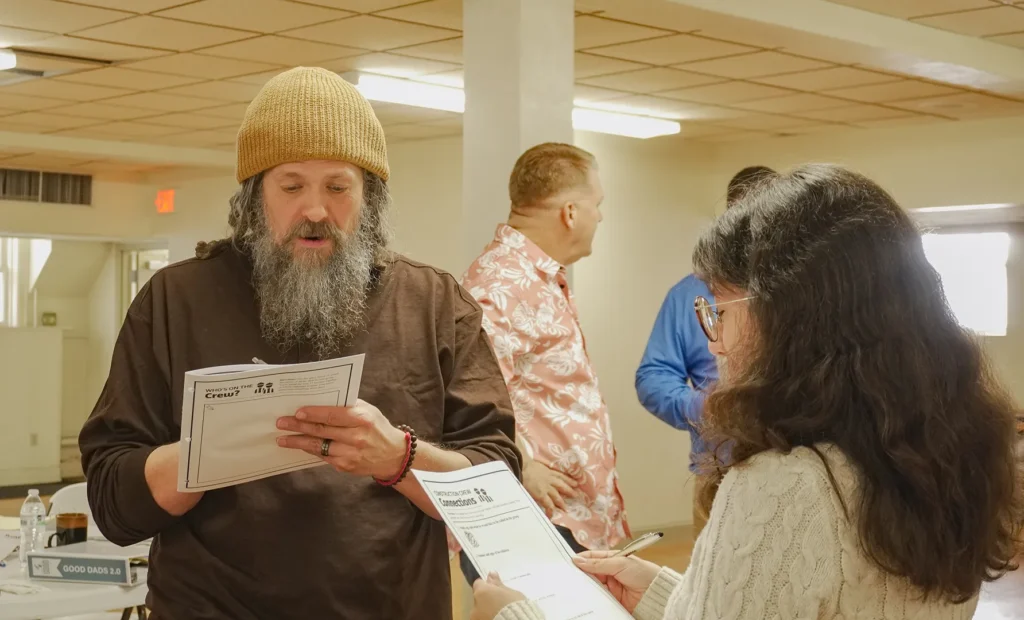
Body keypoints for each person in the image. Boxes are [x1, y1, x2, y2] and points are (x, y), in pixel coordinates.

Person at [473, 163, 1023, 620]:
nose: (715, 345)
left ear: (790, 319)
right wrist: (673, 596)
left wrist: (517, 616)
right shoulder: (950, 456)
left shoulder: (787, 484)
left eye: (720, 311)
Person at [78, 66, 521, 620]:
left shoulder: (431, 303)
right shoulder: (176, 299)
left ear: (370, 198)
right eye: (291, 186)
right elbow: (112, 500)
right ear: (253, 196)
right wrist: (200, 459)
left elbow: (497, 492)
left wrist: (398, 459)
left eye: (338, 187)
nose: (315, 210)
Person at [459, 142, 630, 583]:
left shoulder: (538, 277)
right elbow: (472, 395)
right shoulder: (501, 281)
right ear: (571, 212)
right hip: (537, 518)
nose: (601, 217)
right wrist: (524, 465)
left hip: (571, 517)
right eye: (598, 205)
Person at [635, 165, 774, 536]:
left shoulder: (803, 293)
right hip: (720, 472)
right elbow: (653, 378)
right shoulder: (688, 295)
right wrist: (706, 407)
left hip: (796, 468)